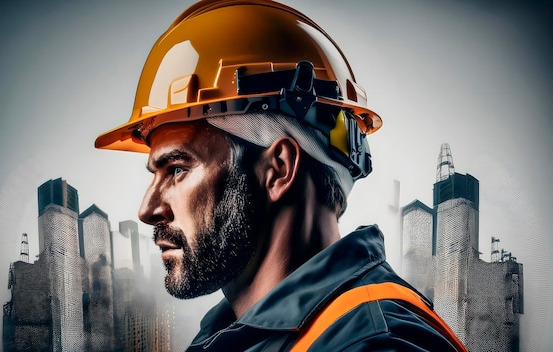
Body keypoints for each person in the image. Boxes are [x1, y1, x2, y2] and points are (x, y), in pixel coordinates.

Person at [95, 0, 467, 350]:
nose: (147, 209)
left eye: (177, 169)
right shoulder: (238, 334)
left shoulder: (373, 343)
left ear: (278, 169)